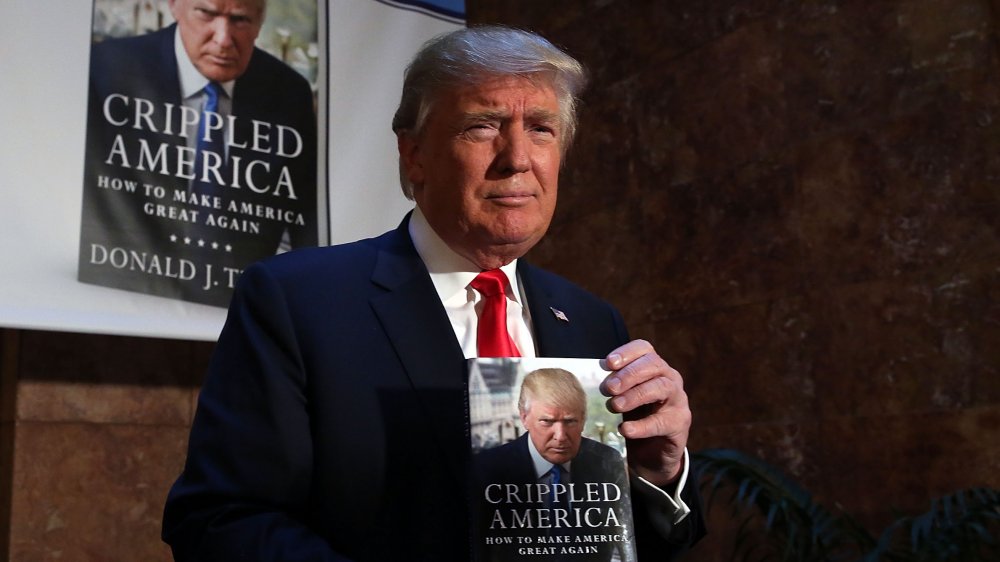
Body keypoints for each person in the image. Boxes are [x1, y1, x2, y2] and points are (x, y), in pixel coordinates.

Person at [162, 25, 705, 561]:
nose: (517, 157)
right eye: (482, 126)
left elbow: (629, 542)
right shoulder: (297, 301)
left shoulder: (593, 323)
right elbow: (218, 522)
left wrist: (661, 474)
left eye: (541, 128)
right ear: (414, 155)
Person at [78, 0, 318, 307]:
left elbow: (303, 224)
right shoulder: (107, 69)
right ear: (175, 6)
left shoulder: (289, 94)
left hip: (239, 309)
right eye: (207, 13)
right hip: (119, 299)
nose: (223, 38)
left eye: (240, 20)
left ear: (261, 20)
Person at [473, 368, 638, 561]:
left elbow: (626, 539)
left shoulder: (607, 460)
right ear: (524, 417)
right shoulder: (488, 467)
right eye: (547, 421)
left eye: (570, 422)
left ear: (583, 419)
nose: (560, 436)